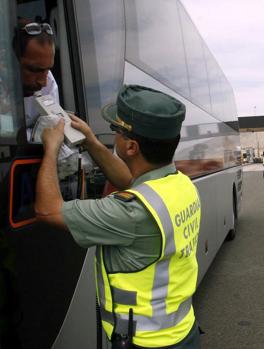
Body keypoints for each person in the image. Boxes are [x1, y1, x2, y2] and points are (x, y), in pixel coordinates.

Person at [35, 85, 201, 348]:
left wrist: (51, 149)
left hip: (145, 342)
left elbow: (47, 209)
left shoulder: (130, 212)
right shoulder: (181, 184)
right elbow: (128, 180)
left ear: (132, 147)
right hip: (182, 332)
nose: (114, 136)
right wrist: (90, 141)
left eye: (117, 132)